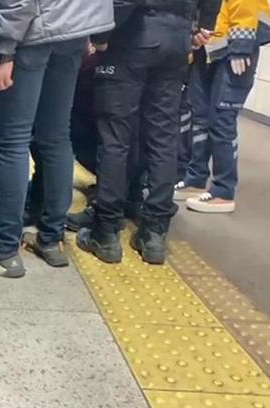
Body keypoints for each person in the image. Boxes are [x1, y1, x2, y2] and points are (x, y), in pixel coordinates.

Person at [0, 0, 115, 276]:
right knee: (57, 137)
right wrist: (99, 32)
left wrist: (3, 51)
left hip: (30, 33)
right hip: (73, 30)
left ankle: (2, 250)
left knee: (12, 142)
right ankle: (51, 240)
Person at [77, 0, 221, 265]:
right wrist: (205, 26)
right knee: (164, 137)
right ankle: (154, 233)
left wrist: (100, 35)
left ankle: (106, 232)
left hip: (131, 38)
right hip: (176, 42)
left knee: (115, 136)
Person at [174, 0, 270, 213]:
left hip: (234, 50)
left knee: (222, 119)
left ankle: (223, 191)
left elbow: (246, 5)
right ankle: (195, 179)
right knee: (198, 116)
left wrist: (241, 48)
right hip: (210, 48)